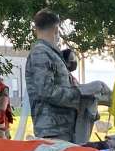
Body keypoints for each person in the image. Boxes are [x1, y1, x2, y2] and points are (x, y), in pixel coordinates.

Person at [25, 9, 109, 142]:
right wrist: (80, 94)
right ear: (56, 29)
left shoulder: (50, 53)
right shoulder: (41, 53)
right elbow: (46, 91)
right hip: (53, 130)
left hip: (63, 128)